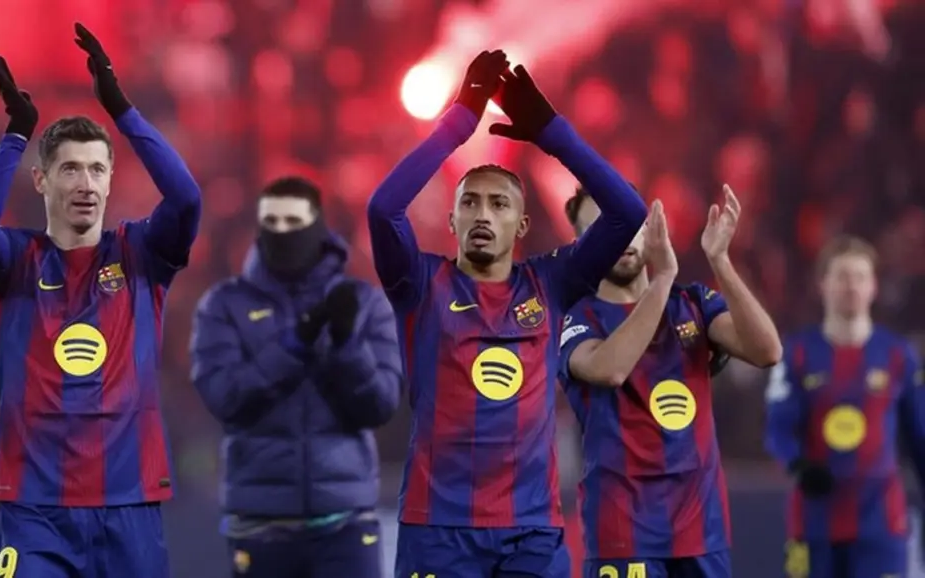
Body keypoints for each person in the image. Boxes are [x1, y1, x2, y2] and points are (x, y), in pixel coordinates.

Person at [367, 50, 648, 578]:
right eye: (469, 202)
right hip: (438, 529)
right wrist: (459, 123)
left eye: (499, 205)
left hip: (530, 532)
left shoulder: (551, 282)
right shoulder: (420, 283)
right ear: (451, 220)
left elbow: (627, 213)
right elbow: (383, 209)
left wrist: (550, 133)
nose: (482, 213)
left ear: (521, 226)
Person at [0, 24, 201, 578]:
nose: (85, 183)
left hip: (129, 505)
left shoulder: (140, 254)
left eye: (96, 168)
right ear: (41, 181)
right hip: (34, 511)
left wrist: (123, 111)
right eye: (70, 168)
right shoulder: (14, 261)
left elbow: (186, 199)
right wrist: (16, 135)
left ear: (111, 180)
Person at [559, 185, 781, 578]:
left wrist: (720, 261)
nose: (619, 238)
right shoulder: (578, 318)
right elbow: (610, 369)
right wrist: (662, 280)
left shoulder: (692, 304)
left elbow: (766, 351)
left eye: (626, 224)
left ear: (649, 227)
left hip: (701, 528)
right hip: (622, 531)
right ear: (582, 246)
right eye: (600, 230)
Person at [190, 176, 403, 578]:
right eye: (272, 222)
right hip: (260, 526)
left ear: (317, 227)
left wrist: (346, 346)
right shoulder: (224, 305)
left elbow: (380, 405)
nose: (282, 232)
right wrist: (294, 345)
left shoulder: (362, 302)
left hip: (344, 524)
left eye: (293, 222)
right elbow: (225, 398)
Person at [764, 235, 925, 578]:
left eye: (860, 277)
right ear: (822, 284)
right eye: (842, 276)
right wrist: (798, 465)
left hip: (882, 524)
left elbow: (919, 435)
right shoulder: (797, 353)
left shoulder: (898, 355)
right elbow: (778, 428)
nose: (851, 286)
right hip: (813, 523)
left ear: (873, 286)